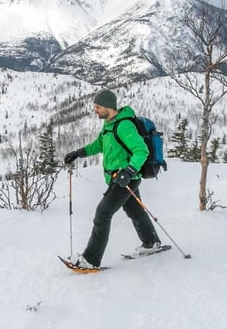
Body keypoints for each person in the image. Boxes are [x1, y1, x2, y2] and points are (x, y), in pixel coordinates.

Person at [62, 89, 163, 269]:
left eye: (98, 107)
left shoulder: (124, 126)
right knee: (135, 211)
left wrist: (129, 171)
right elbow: (98, 145)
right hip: (117, 178)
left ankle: (91, 260)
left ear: (109, 107)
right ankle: (151, 243)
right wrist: (78, 153)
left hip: (125, 179)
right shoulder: (109, 124)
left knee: (103, 213)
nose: (95, 110)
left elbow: (141, 151)